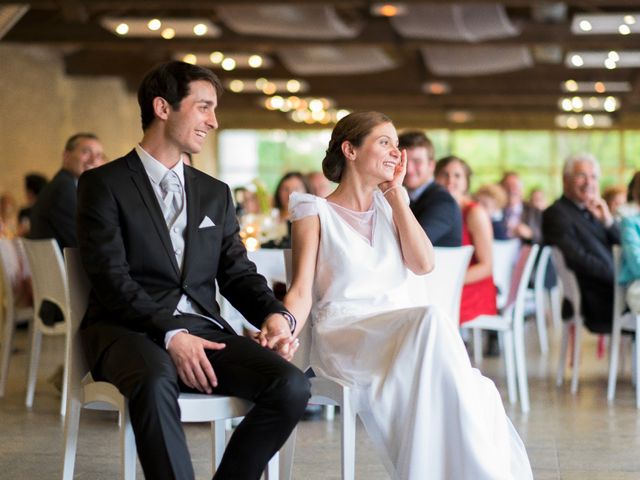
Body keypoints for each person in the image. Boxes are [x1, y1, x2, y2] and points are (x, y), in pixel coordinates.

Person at [76, 60, 310, 480]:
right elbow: (112, 279)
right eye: (204, 107)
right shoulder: (103, 184)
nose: (213, 122)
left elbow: (237, 272)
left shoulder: (214, 193)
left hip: (204, 331)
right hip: (126, 331)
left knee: (291, 386)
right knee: (153, 379)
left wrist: (274, 316)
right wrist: (171, 333)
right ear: (163, 107)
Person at [279, 111, 532, 480]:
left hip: (403, 334)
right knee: (435, 329)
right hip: (346, 334)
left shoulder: (392, 206)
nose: (397, 154)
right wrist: (284, 327)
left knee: (472, 389)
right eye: (385, 143)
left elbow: (424, 263)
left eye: (398, 146)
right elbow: (300, 290)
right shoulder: (313, 211)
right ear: (350, 150)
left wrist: (396, 195)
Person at [542, 153, 619, 334]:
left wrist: (607, 221)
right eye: (581, 176)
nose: (589, 182)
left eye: (593, 177)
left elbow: (623, 247)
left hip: (612, 292)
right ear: (565, 180)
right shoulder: (556, 214)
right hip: (598, 299)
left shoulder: (593, 211)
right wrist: (620, 279)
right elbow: (579, 259)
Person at [435, 156, 498, 324]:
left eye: (457, 175)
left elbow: (487, 266)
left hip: (470, 286)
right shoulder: (433, 211)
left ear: (466, 182)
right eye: (444, 174)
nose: (450, 180)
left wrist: (447, 280)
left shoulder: (475, 213)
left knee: (435, 310)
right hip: (444, 284)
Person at [29, 132, 104, 250]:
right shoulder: (63, 189)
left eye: (99, 155)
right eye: (86, 152)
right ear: (66, 156)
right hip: (64, 267)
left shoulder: (63, 184)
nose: (93, 160)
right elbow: (84, 241)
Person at [400, 131, 462, 247]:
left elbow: (415, 245)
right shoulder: (406, 197)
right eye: (403, 161)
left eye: (417, 162)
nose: (409, 170)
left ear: (431, 165)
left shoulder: (443, 201)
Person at [500, 171, 542, 244]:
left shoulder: (534, 211)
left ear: (522, 189)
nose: (511, 190)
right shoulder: (495, 211)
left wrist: (529, 234)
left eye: (515, 186)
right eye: (507, 186)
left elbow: (543, 238)